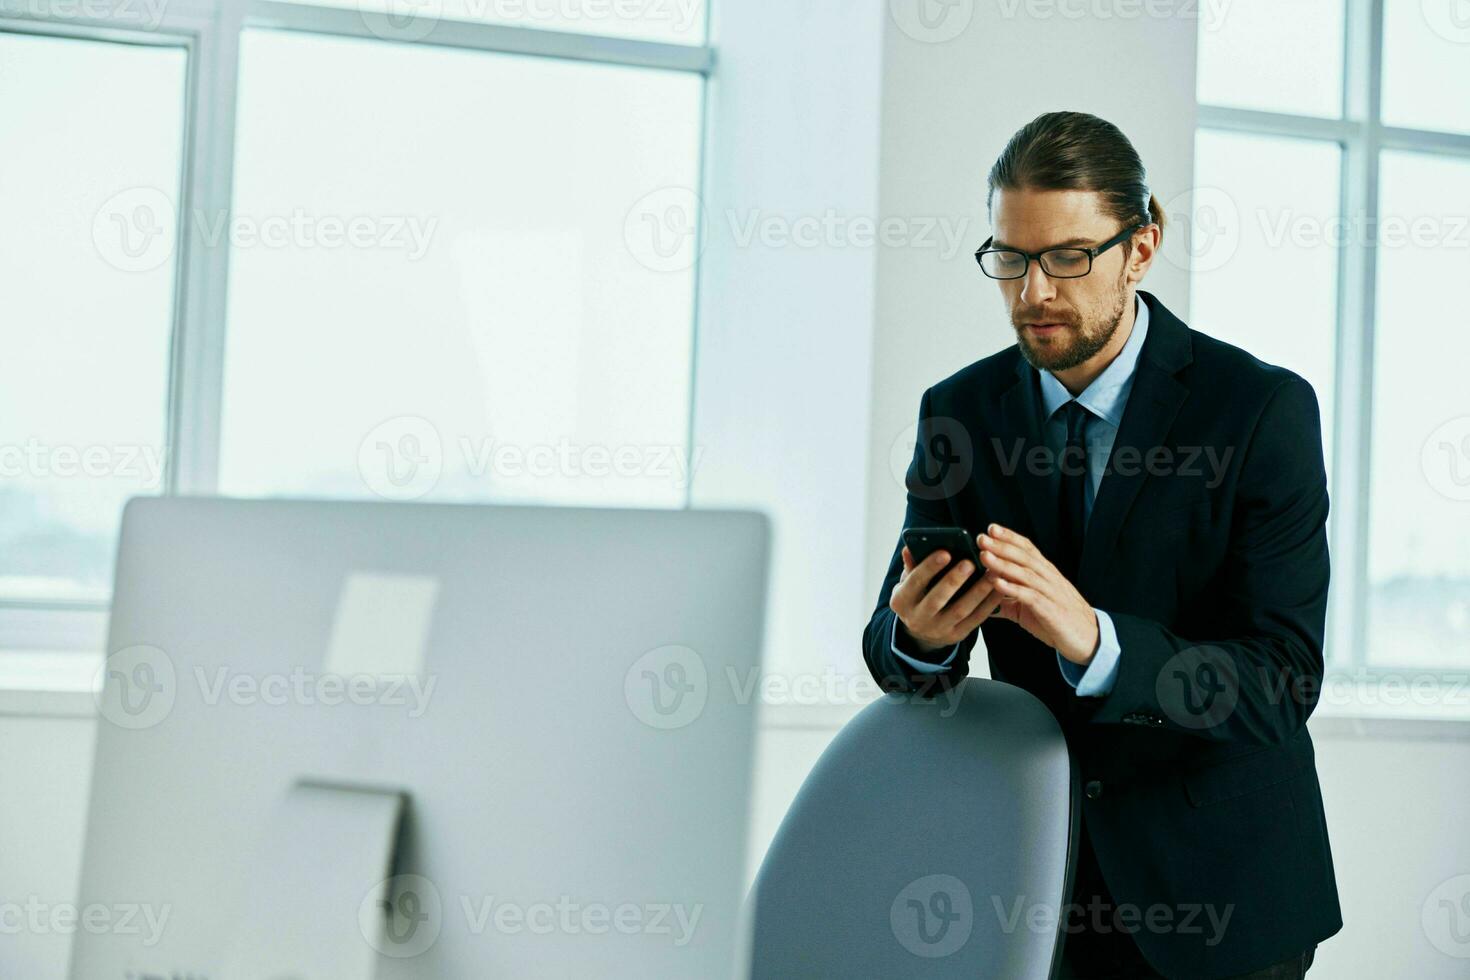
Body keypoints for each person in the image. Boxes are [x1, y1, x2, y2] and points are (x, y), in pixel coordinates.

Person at [861, 110, 1341, 980]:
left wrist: (1096, 642)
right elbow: (903, 665)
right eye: (1011, 258)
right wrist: (919, 637)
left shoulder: (1260, 411)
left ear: (1144, 246)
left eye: (1069, 258)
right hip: (1038, 886)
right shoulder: (959, 413)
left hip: (1223, 895)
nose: (1033, 292)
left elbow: (1282, 681)